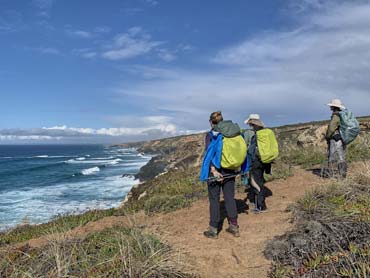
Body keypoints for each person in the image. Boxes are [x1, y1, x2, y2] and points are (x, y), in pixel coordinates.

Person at [202, 111, 241, 239]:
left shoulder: (211, 134)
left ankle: (213, 230)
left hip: (216, 171)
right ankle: (234, 227)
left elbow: (210, 153)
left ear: (211, 122)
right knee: (229, 197)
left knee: (214, 199)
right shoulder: (232, 133)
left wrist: (213, 170)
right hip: (230, 168)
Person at [245, 114, 271, 212]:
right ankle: (259, 204)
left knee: (256, 182)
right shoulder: (265, 133)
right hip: (264, 160)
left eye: (251, 124)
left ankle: (261, 206)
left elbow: (251, 150)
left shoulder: (255, 135)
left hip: (255, 161)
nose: (250, 126)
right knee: (260, 180)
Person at [325, 99, 347, 178]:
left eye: (331, 105)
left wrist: (327, 136)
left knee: (333, 156)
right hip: (342, 138)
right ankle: (343, 174)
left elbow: (331, 128)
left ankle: (333, 175)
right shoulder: (342, 114)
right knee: (342, 156)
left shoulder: (335, 116)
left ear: (333, 107)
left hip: (335, 139)